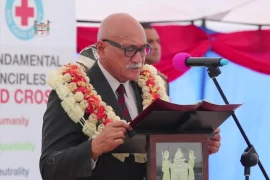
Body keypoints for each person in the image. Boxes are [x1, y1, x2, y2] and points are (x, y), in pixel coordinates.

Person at [40, 13, 221, 180]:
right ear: (102, 48)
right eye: (129, 49)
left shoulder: (152, 86)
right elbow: (50, 167)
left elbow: (158, 152)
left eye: (143, 49)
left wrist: (196, 145)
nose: (138, 59)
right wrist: (94, 148)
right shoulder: (72, 91)